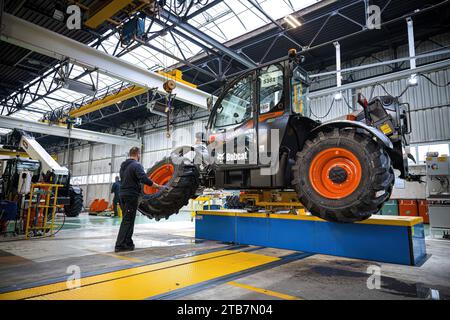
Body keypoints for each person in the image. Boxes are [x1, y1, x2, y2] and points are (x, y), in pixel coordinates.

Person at [115, 147, 164, 252]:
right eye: (140, 154)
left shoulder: (123, 166)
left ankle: (128, 243)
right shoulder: (136, 165)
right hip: (130, 195)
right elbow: (144, 179)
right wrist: (157, 186)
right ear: (138, 154)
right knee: (127, 220)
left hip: (122, 195)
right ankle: (120, 245)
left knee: (128, 219)